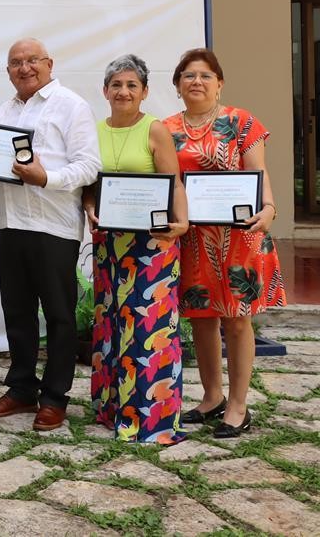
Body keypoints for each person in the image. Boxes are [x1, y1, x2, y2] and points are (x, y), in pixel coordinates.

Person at [0, 38, 101, 431]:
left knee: (61, 316)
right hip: (12, 223)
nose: (24, 68)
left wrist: (47, 178)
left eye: (32, 61)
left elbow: (89, 167)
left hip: (54, 226)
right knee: (18, 312)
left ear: (49, 63)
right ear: (8, 70)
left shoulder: (71, 105)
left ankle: (55, 397)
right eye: (15, 63)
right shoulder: (4, 109)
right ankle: (22, 389)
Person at [163, 48, 285, 438]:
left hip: (239, 236)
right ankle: (212, 396)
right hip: (193, 238)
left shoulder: (241, 122)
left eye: (204, 75)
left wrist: (268, 208)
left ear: (219, 83)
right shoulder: (165, 129)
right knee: (201, 318)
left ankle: (237, 404)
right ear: (177, 84)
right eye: (188, 75)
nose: (196, 82)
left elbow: (257, 172)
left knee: (236, 319)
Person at [82, 55, 189, 444]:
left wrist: (182, 223)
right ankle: (113, 410)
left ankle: (152, 419)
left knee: (148, 329)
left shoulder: (154, 129)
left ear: (144, 92)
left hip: (152, 244)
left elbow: (173, 182)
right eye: (116, 85)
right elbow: (89, 187)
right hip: (110, 244)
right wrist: (90, 207)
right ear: (105, 91)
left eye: (131, 85)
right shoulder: (94, 130)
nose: (123, 91)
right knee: (111, 326)